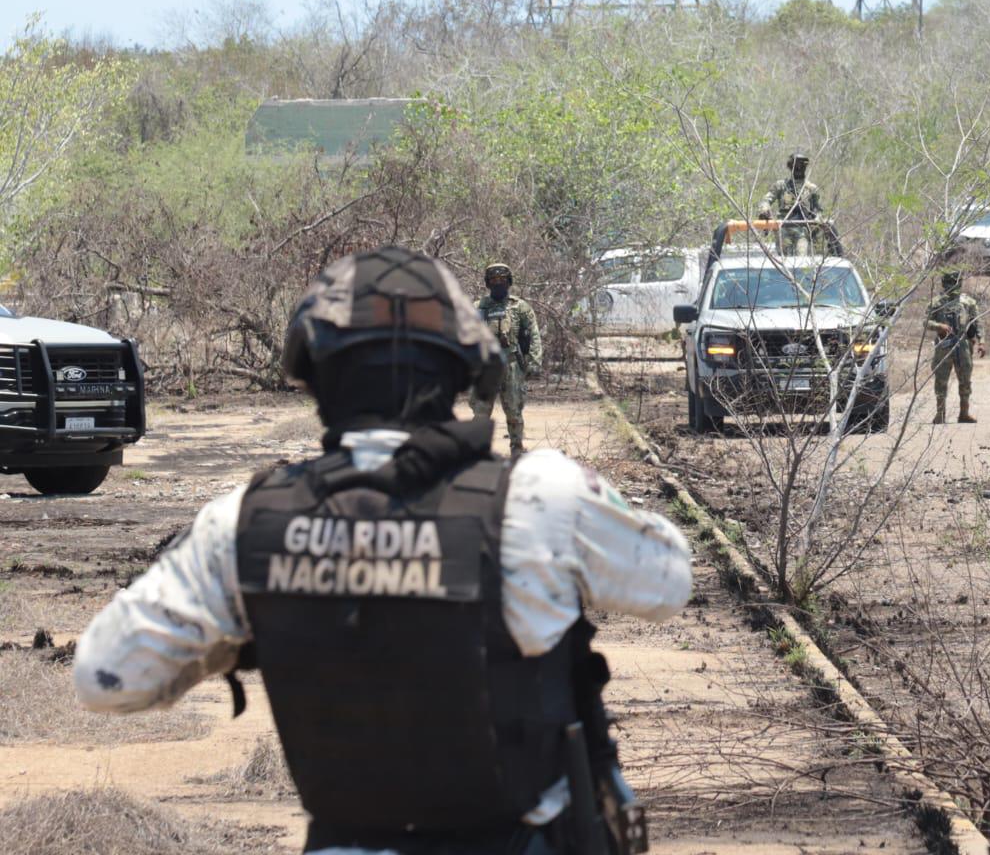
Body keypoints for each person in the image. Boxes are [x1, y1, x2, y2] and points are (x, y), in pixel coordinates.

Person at [74, 246, 694, 855]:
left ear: (314, 373)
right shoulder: (537, 497)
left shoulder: (245, 523)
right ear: (462, 370)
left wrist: (251, 625)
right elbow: (667, 581)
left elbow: (106, 676)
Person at [475, 262, 542, 456]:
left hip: (512, 364)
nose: (498, 284)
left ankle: (517, 448)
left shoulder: (520, 307)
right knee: (481, 411)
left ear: (509, 282)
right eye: (494, 280)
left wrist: (534, 362)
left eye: (502, 280)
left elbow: (534, 335)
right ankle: (478, 450)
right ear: (488, 283)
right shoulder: (478, 307)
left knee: (514, 410)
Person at [925, 269, 987, 424]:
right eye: (950, 283)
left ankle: (964, 413)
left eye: (955, 283)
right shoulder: (936, 303)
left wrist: (981, 341)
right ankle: (940, 414)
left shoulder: (968, 302)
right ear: (945, 284)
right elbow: (926, 322)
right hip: (943, 346)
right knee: (941, 380)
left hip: (963, 345)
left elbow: (977, 322)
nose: (953, 286)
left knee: (965, 380)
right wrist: (940, 326)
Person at [759, 153, 823, 222]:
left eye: (801, 165)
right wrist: (765, 210)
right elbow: (766, 200)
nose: (799, 168)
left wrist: (817, 218)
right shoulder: (781, 185)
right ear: (790, 167)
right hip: (784, 226)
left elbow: (818, 210)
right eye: (796, 165)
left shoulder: (811, 188)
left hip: (805, 227)